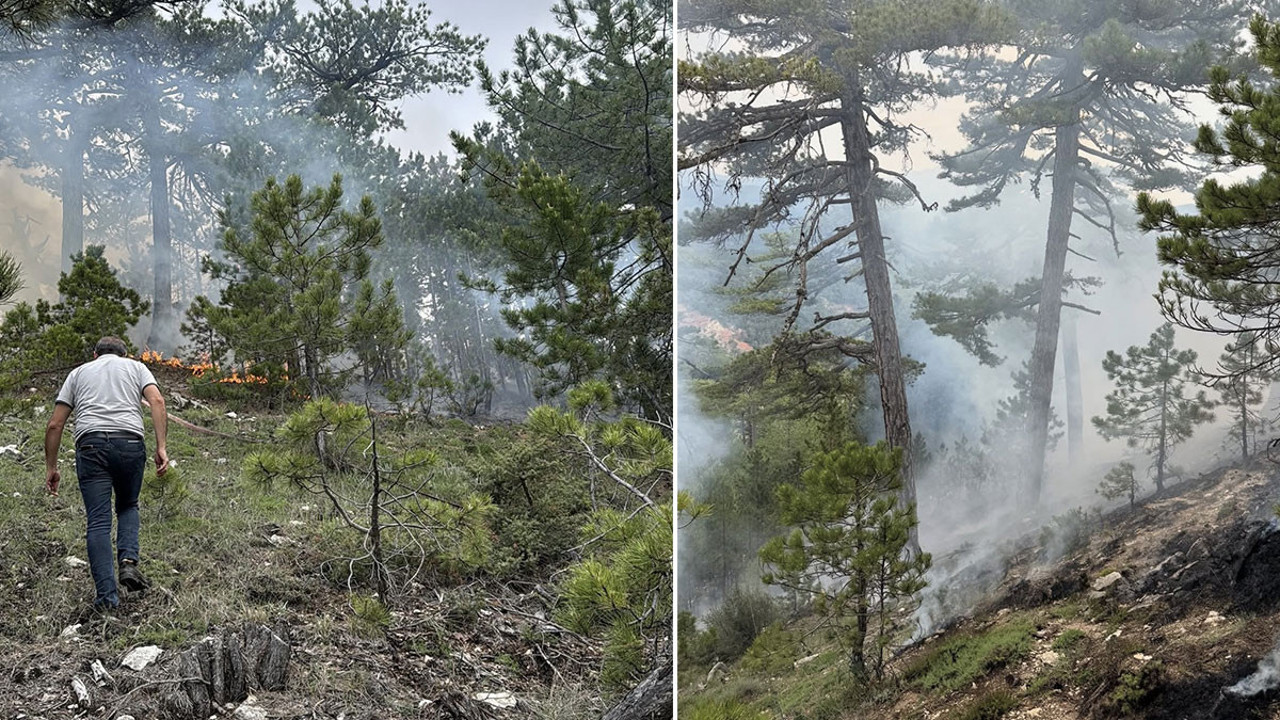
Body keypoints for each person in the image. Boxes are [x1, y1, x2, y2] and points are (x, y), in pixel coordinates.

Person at [44, 336, 169, 611]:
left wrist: (52, 467)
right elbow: (157, 401)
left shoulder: (78, 373)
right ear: (124, 354)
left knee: (98, 521)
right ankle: (128, 563)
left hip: (91, 445)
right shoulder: (136, 369)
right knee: (127, 505)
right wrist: (161, 447)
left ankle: (107, 599)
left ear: (94, 354)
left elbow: (55, 425)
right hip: (130, 443)